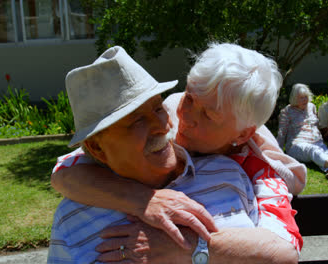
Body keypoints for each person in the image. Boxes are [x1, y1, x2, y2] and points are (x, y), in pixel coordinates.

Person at [48, 45, 301, 264]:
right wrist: (144, 200)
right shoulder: (167, 110)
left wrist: (189, 247)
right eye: (189, 99)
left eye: (209, 116)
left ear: (242, 135)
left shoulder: (254, 172)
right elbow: (64, 174)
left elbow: (283, 253)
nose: (181, 120)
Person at [277, 83, 328, 180]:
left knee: (327, 152)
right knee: (312, 149)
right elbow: (282, 133)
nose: (304, 100)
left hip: (317, 142)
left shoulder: (312, 107)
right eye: (301, 98)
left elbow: (315, 125)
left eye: (306, 97)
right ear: (294, 98)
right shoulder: (287, 111)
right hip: (296, 145)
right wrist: (278, 153)